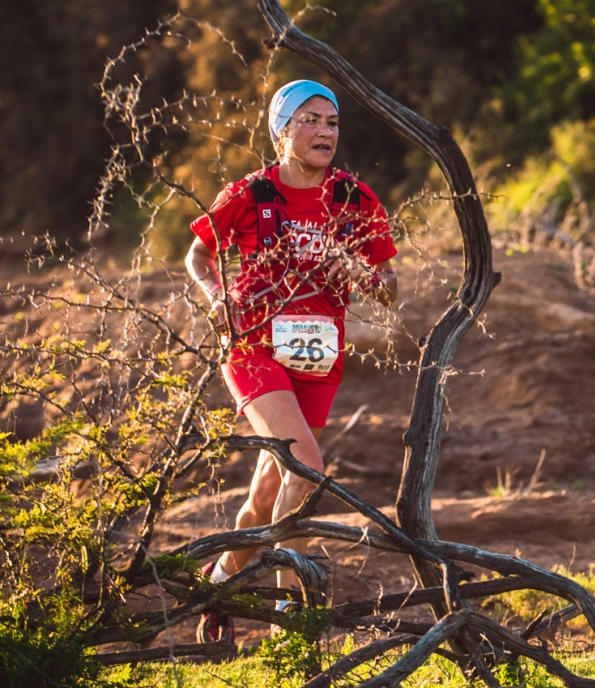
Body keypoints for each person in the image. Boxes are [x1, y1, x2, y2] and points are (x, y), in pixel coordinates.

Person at [185, 79, 398, 643]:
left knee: (265, 496)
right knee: (307, 468)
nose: (325, 131)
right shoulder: (250, 192)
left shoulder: (354, 197)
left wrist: (362, 276)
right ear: (282, 129)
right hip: (254, 344)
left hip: (318, 354)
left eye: (332, 122)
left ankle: (217, 584)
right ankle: (287, 614)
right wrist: (217, 297)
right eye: (311, 120)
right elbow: (199, 254)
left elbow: (389, 285)